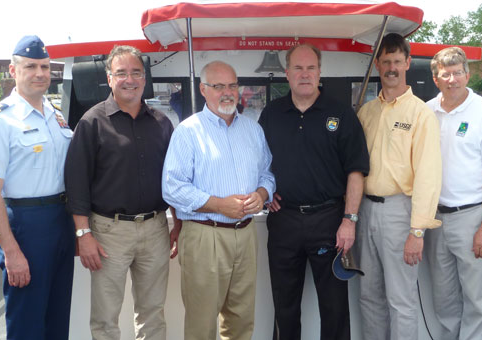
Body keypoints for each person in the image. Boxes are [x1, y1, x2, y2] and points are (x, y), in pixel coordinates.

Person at [65, 45, 176, 340]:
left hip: (155, 229)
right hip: (108, 232)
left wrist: (176, 222)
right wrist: (83, 235)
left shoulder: (162, 123)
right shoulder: (91, 122)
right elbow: (76, 183)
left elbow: (173, 179)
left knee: (153, 312)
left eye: (136, 72)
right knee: (105, 318)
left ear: (145, 77)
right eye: (122, 73)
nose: (130, 79)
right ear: (109, 78)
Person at [259, 44, 369, 340]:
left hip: (330, 222)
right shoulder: (271, 113)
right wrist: (264, 193)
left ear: (320, 72)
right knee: (284, 306)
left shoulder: (341, 114)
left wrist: (350, 220)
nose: (304, 74)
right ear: (287, 73)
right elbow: (255, 162)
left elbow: (356, 172)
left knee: (334, 308)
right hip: (284, 222)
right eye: (298, 68)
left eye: (310, 68)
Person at [162, 61, 275, 340]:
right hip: (204, 235)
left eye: (232, 85)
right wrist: (218, 204)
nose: (227, 92)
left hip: (246, 235)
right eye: (219, 86)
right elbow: (172, 188)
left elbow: (268, 174)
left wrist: (262, 194)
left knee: (241, 320)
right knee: (202, 324)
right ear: (203, 90)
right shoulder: (188, 132)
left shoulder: (252, 130)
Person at [0, 35, 75, 340]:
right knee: (27, 322)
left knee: (58, 317)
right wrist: (11, 251)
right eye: (31, 66)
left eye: (45, 67)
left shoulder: (55, 116)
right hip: (26, 226)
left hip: (61, 220)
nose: (40, 73)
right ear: (13, 70)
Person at [355, 32, 441, 340]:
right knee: (369, 296)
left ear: (407, 63)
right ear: (378, 64)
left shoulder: (420, 113)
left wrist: (417, 231)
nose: (391, 67)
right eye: (386, 61)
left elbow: (429, 176)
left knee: (401, 301)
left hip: (399, 214)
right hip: (365, 212)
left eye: (397, 61)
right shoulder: (366, 112)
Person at [424, 46, 482, 340]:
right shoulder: (427, 111)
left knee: (477, 300)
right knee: (443, 298)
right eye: (445, 74)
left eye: (458, 72)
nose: (452, 79)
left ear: (467, 74)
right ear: (436, 79)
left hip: (472, 217)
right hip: (435, 218)